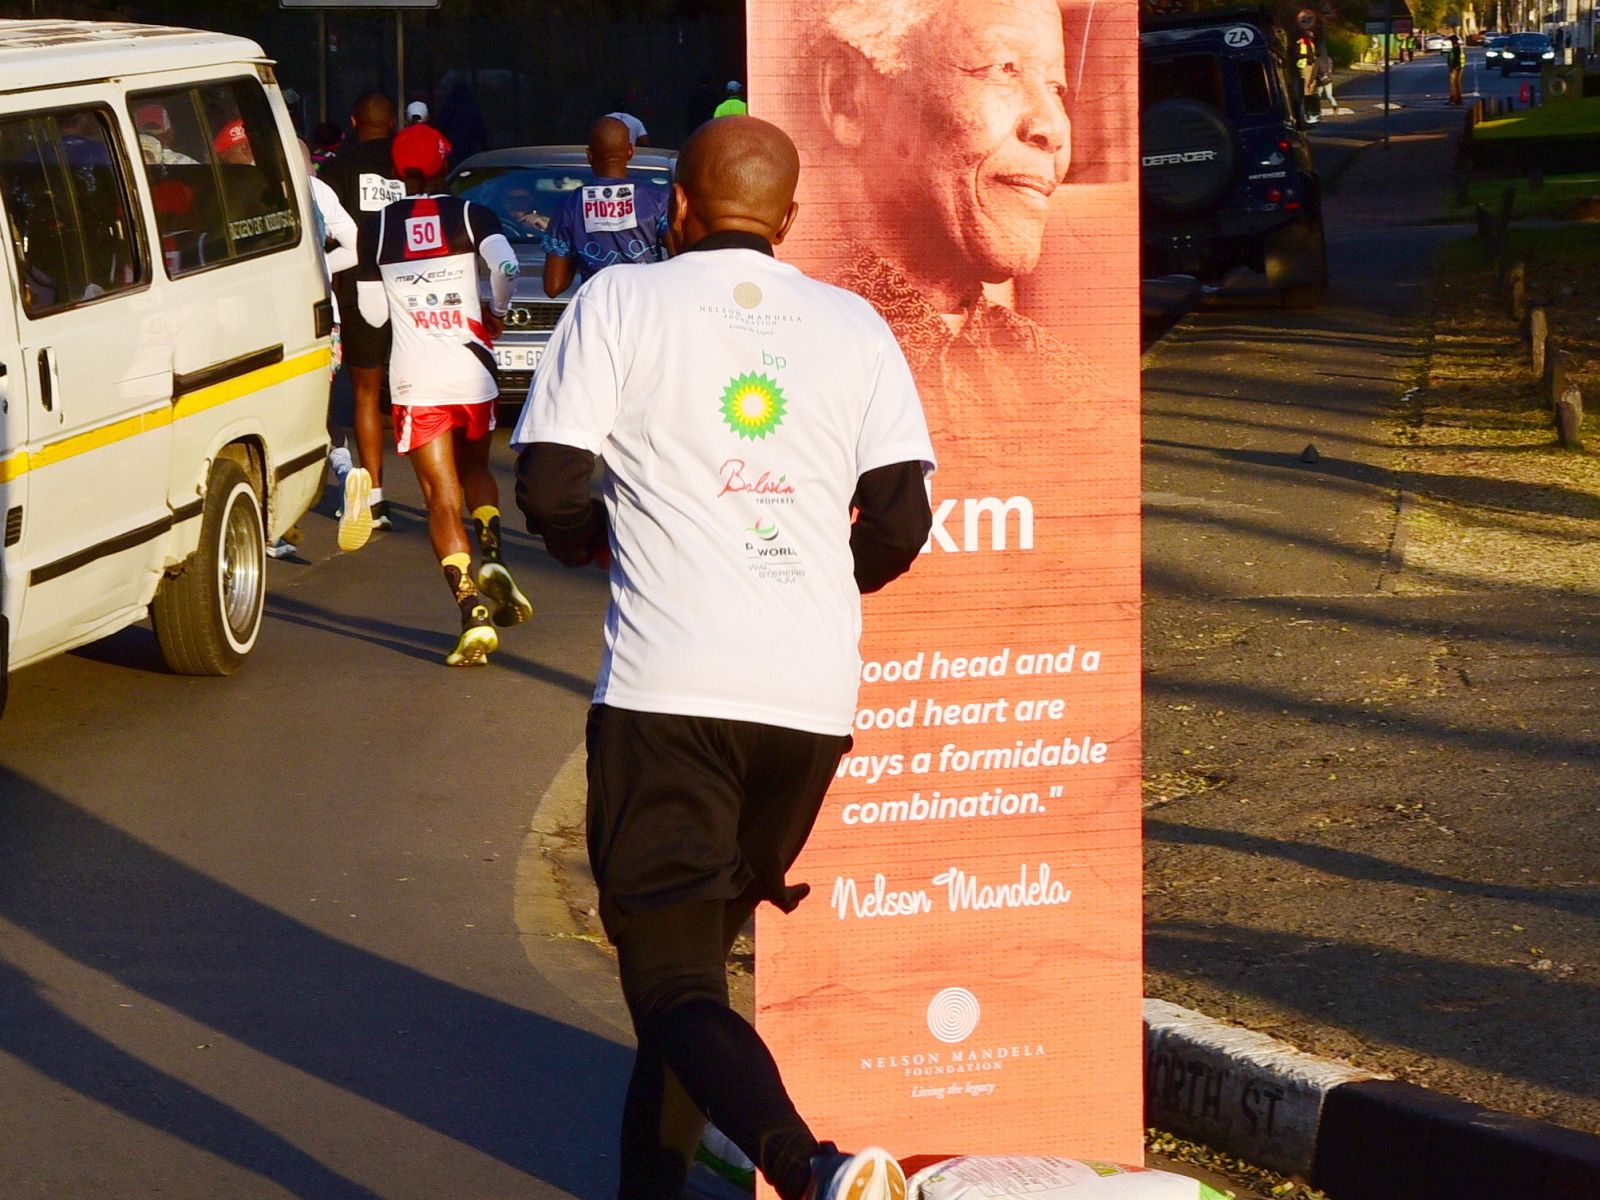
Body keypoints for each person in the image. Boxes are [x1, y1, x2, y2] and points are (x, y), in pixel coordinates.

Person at [512, 115, 935, 1200]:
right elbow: (898, 521)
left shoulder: (618, 302)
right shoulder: (852, 325)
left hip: (669, 691)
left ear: (677, 210)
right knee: (685, 990)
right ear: (787, 219)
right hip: (807, 703)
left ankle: (813, 1167)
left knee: (675, 987)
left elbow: (553, 487)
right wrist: (810, 583)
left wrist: (594, 542)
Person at [804, 0, 1100, 456]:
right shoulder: (794, 354)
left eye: (1057, 87)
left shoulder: (1062, 375)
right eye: (1004, 69)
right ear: (848, 97)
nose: (1052, 128)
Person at [356, 123, 533, 666]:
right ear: (440, 165)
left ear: (398, 172)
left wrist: (406, 302)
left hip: (418, 379)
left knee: (441, 498)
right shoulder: (470, 215)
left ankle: (471, 614)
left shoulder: (379, 227)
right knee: (478, 468)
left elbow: (372, 313)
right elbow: (506, 266)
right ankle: (495, 556)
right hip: (472, 369)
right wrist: (495, 314)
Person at [319, 93, 404, 537]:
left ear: (354, 121)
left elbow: (329, 234)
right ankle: (441, 495)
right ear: (392, 121)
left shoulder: (337, 165)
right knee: (418, 392)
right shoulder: (410, 163)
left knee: (366, 394)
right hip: (411, 284)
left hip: (360, 283)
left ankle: (376, 498)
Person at [541, 115, 670, 298]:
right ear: (631, 152)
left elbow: (553, 286)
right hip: (646, 309)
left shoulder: (569, 207)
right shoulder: (658, 201)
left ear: (589, 156)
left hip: (598, 311)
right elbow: (680, 259)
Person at [1447, 34, 1464, 104]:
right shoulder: (1455, 47)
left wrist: (1455, 67)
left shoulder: (1456, 48)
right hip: (1455, 67)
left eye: (1452, 40)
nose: (1451, 42)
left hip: (1456, 68)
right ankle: (1454, 98)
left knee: (1456, 83)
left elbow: (1456, 58)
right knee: (1454, 83)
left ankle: (1457, 99)